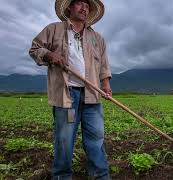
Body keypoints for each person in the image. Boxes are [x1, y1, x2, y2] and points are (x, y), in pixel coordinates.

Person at [29, 0, 112, 179]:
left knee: (96, 138)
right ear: (69, 7)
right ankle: (61, 176)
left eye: (87, 6)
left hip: (92, 95)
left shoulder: (97, 38)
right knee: (65, 140)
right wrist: (50, 54)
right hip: (67, 96)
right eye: (80, 4)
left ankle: (100, 176)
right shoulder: (54, 29)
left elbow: (104, 65)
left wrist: (105, 84)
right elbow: (35, 48)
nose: (84, 8)